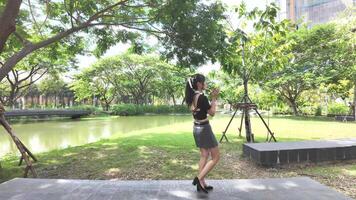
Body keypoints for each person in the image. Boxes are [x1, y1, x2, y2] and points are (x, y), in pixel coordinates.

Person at [185, 73, 220, 193]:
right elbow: (212, 113)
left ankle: (202, 183)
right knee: (216, 157)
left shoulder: (192, 97)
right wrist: (214, 98)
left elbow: (197, 111)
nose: (206, 84)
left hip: (196, 128)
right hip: (204, 129)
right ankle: (198, 178)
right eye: (204, 82)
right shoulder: (202, 97)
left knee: (204, 155)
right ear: (199, 84)